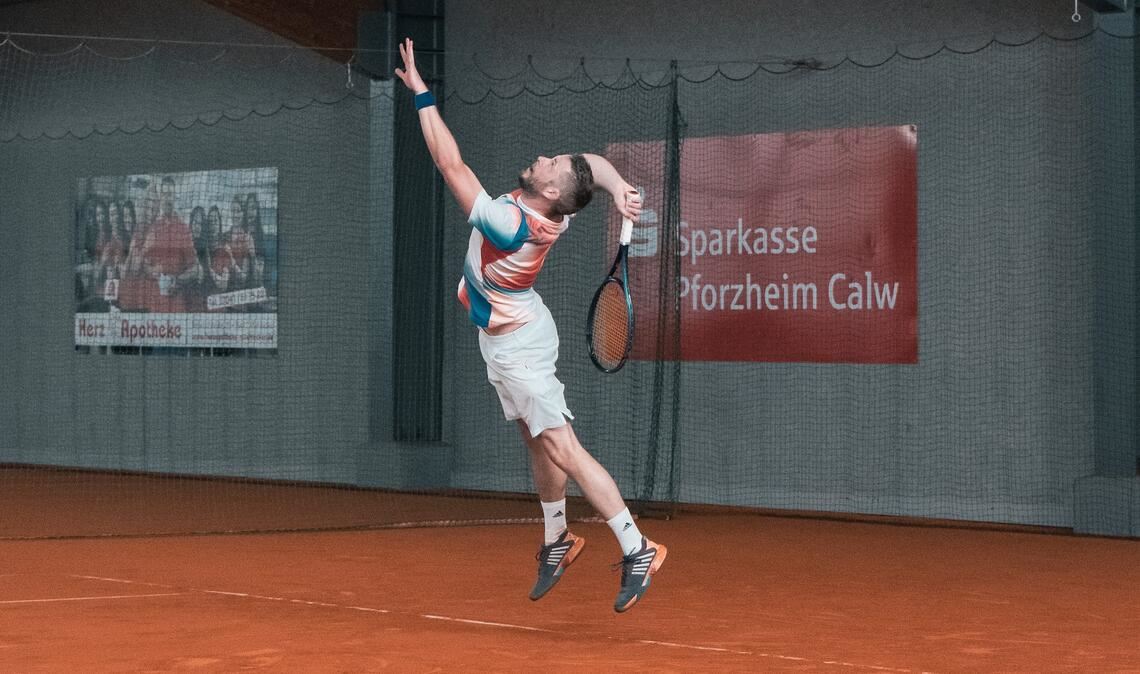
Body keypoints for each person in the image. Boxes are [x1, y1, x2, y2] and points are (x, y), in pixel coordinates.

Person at [394, 38, 667, 613]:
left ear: (547, 192)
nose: (546, 156)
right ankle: (557, 538)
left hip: (518, 344)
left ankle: (637, 545)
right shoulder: (552, 202)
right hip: (510, 334)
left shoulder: (509, 224)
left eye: (550, 164)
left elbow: (450, 164)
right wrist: (617, 188)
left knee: (562, 447)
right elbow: (589, 165)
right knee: (534, 438)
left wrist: (421, 93)